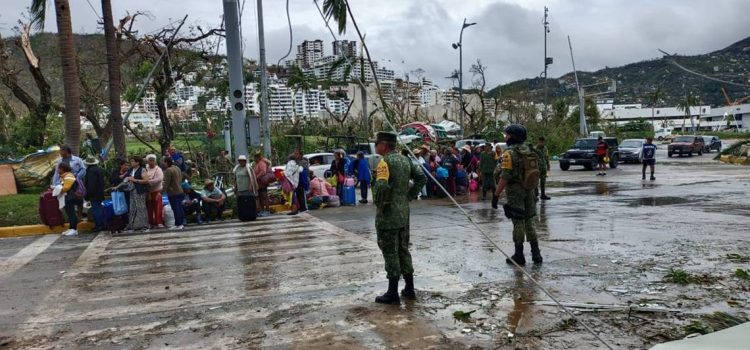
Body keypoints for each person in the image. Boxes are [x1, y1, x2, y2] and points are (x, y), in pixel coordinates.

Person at [372, 131, 427, 304]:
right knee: (403, 249)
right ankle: (409, 288)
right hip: (404, 213)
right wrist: (409, 195)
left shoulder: (384, 162)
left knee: (390, 251)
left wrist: (380, 205)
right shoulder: (405, 159)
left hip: (388, 214)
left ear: (384, 144)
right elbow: (421, 178)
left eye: (377, 143)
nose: (375, 146)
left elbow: (381, 187)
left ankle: (392, 292)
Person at [494, 124, 542, 265]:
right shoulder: (529, 149)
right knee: (529, 221)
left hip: (515, 192)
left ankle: (519, 254)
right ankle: (536, 254)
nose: (506, 137)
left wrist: (496, 195)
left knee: (518, 222)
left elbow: (505, 177)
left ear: (513, 136)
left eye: (507, 135)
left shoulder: (509, 153)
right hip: (529, 189)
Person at [125, 156, 150, 233]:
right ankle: (131, 225)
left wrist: (134, 180)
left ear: (137, 162)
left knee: (141, 208)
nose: (131, 163)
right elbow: (126, 178)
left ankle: (144, 225)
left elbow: (146, 180)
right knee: (132, 207)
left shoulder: (142, 170)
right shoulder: (130, 170)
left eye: (133, 161)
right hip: (131, 190)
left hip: (140, 191)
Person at [57, 163, 81, 236]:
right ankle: (71, 228)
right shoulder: (64, 176)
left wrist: (57, 189)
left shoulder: (69, 176)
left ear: (63, 169)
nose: (58, 170)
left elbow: (66, 188)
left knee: (71, 213)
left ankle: (74, 229)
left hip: (71, 197)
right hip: (67, 197)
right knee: (69, 213)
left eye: (59, 168)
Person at [83, 156, 105, 232]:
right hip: (100, 192)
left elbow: (91, 185)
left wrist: (87, 195)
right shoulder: (99, 169)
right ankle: (102, 224)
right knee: (99, 208)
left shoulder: (90, 171)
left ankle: (99, 225)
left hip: (94, 194)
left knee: (96, 210)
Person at [162, 156, 184, 230]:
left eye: (164, 162)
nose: (163, 164)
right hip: (180, 190)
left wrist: (161, 192)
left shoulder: (168, 170)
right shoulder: (177, 168)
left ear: (166, 162)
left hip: (173, 192)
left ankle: (178, 224)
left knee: (175, 208)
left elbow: (166, 183)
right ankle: (181, 223)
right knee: (180, 208)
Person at [144, 154, 164, 228]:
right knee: (149, 207)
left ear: (155, 161)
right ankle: (150, 222)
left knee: (158, 207)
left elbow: (159, 179)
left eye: (153, 160)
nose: (151, 162)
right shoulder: (145, 168)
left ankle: (159, 222)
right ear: (147, 161)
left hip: (157, 190)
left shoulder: (158, 169)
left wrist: (149, 182)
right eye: (150, 160)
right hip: (148, 192)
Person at [286, 150, 307, 215]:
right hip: (296, 180)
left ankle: (303, 207)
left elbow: (302, 170)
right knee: (297, 194)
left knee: (301, 194)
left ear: (301, 155)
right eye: (295, 154)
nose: (296, 155)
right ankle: (299, 207)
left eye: (297, 154)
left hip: (301, 180)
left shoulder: (303, 162)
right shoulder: (294, 161)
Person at [253, 152, 272, 217]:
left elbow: (263, 171)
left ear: (257, 157)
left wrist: (256, 177)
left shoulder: (261, 163)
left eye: (254, 157)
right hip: (259, 183)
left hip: (262, 183)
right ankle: (263, 210)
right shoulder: (258, 163)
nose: (254, 159)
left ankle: (267, 210)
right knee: (261, 197)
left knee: (264, 196)